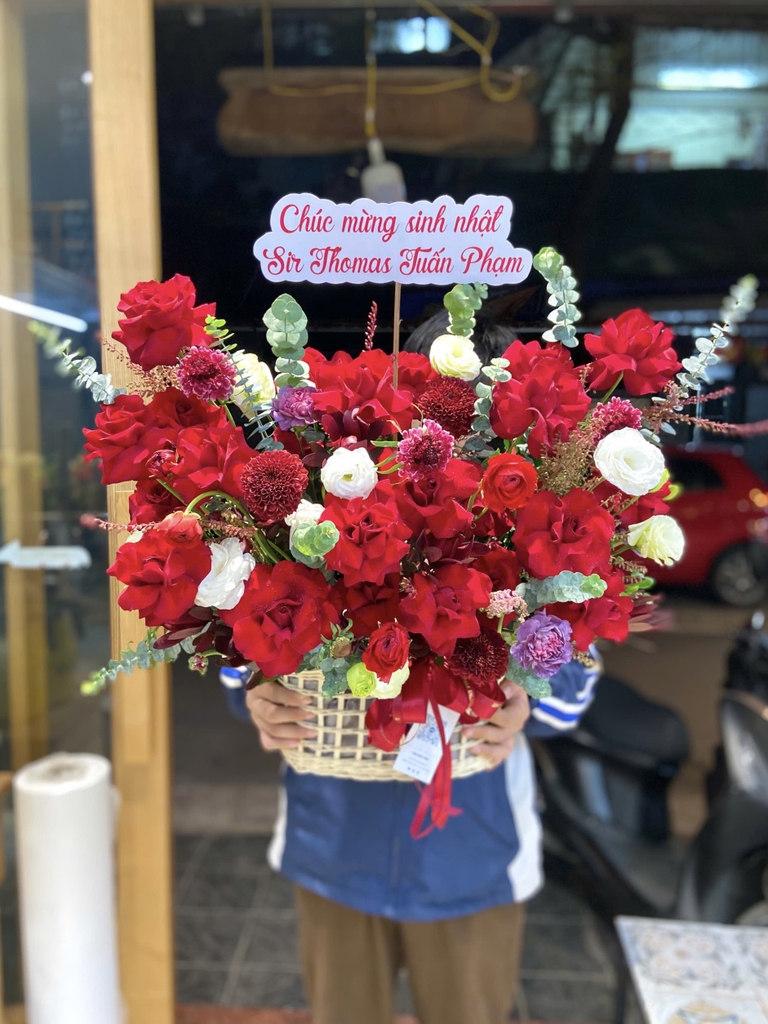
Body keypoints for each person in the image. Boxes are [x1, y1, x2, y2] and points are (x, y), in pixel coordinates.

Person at [241, 309, 601, 1024]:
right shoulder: (330, 493)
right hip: (333, 839)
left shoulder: (542, 513)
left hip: (472, 850)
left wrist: (526, 696)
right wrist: (259, 693)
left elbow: (576, 678)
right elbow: (241, 641)